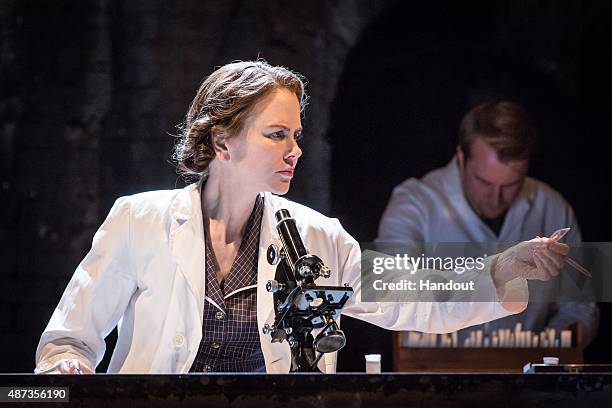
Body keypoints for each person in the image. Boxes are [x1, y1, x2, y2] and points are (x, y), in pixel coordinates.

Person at [35, 62, 568, 374]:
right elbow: (68, 340)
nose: (294, 150)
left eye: (296, 135)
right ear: (221, 139)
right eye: (276, 134)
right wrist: (64, 368)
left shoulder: (318, 236)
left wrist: (499, 271)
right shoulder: (140, 220)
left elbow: (408, 294)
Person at [377, 100, 598, 347]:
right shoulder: (414, 204)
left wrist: (551, 344)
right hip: (432, 376)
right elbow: (389, 289)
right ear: (461, 156)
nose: (496, 199)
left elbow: (581, 305)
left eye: (510, 185)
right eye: (484, 182)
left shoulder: (553, 208)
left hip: (527, 379)